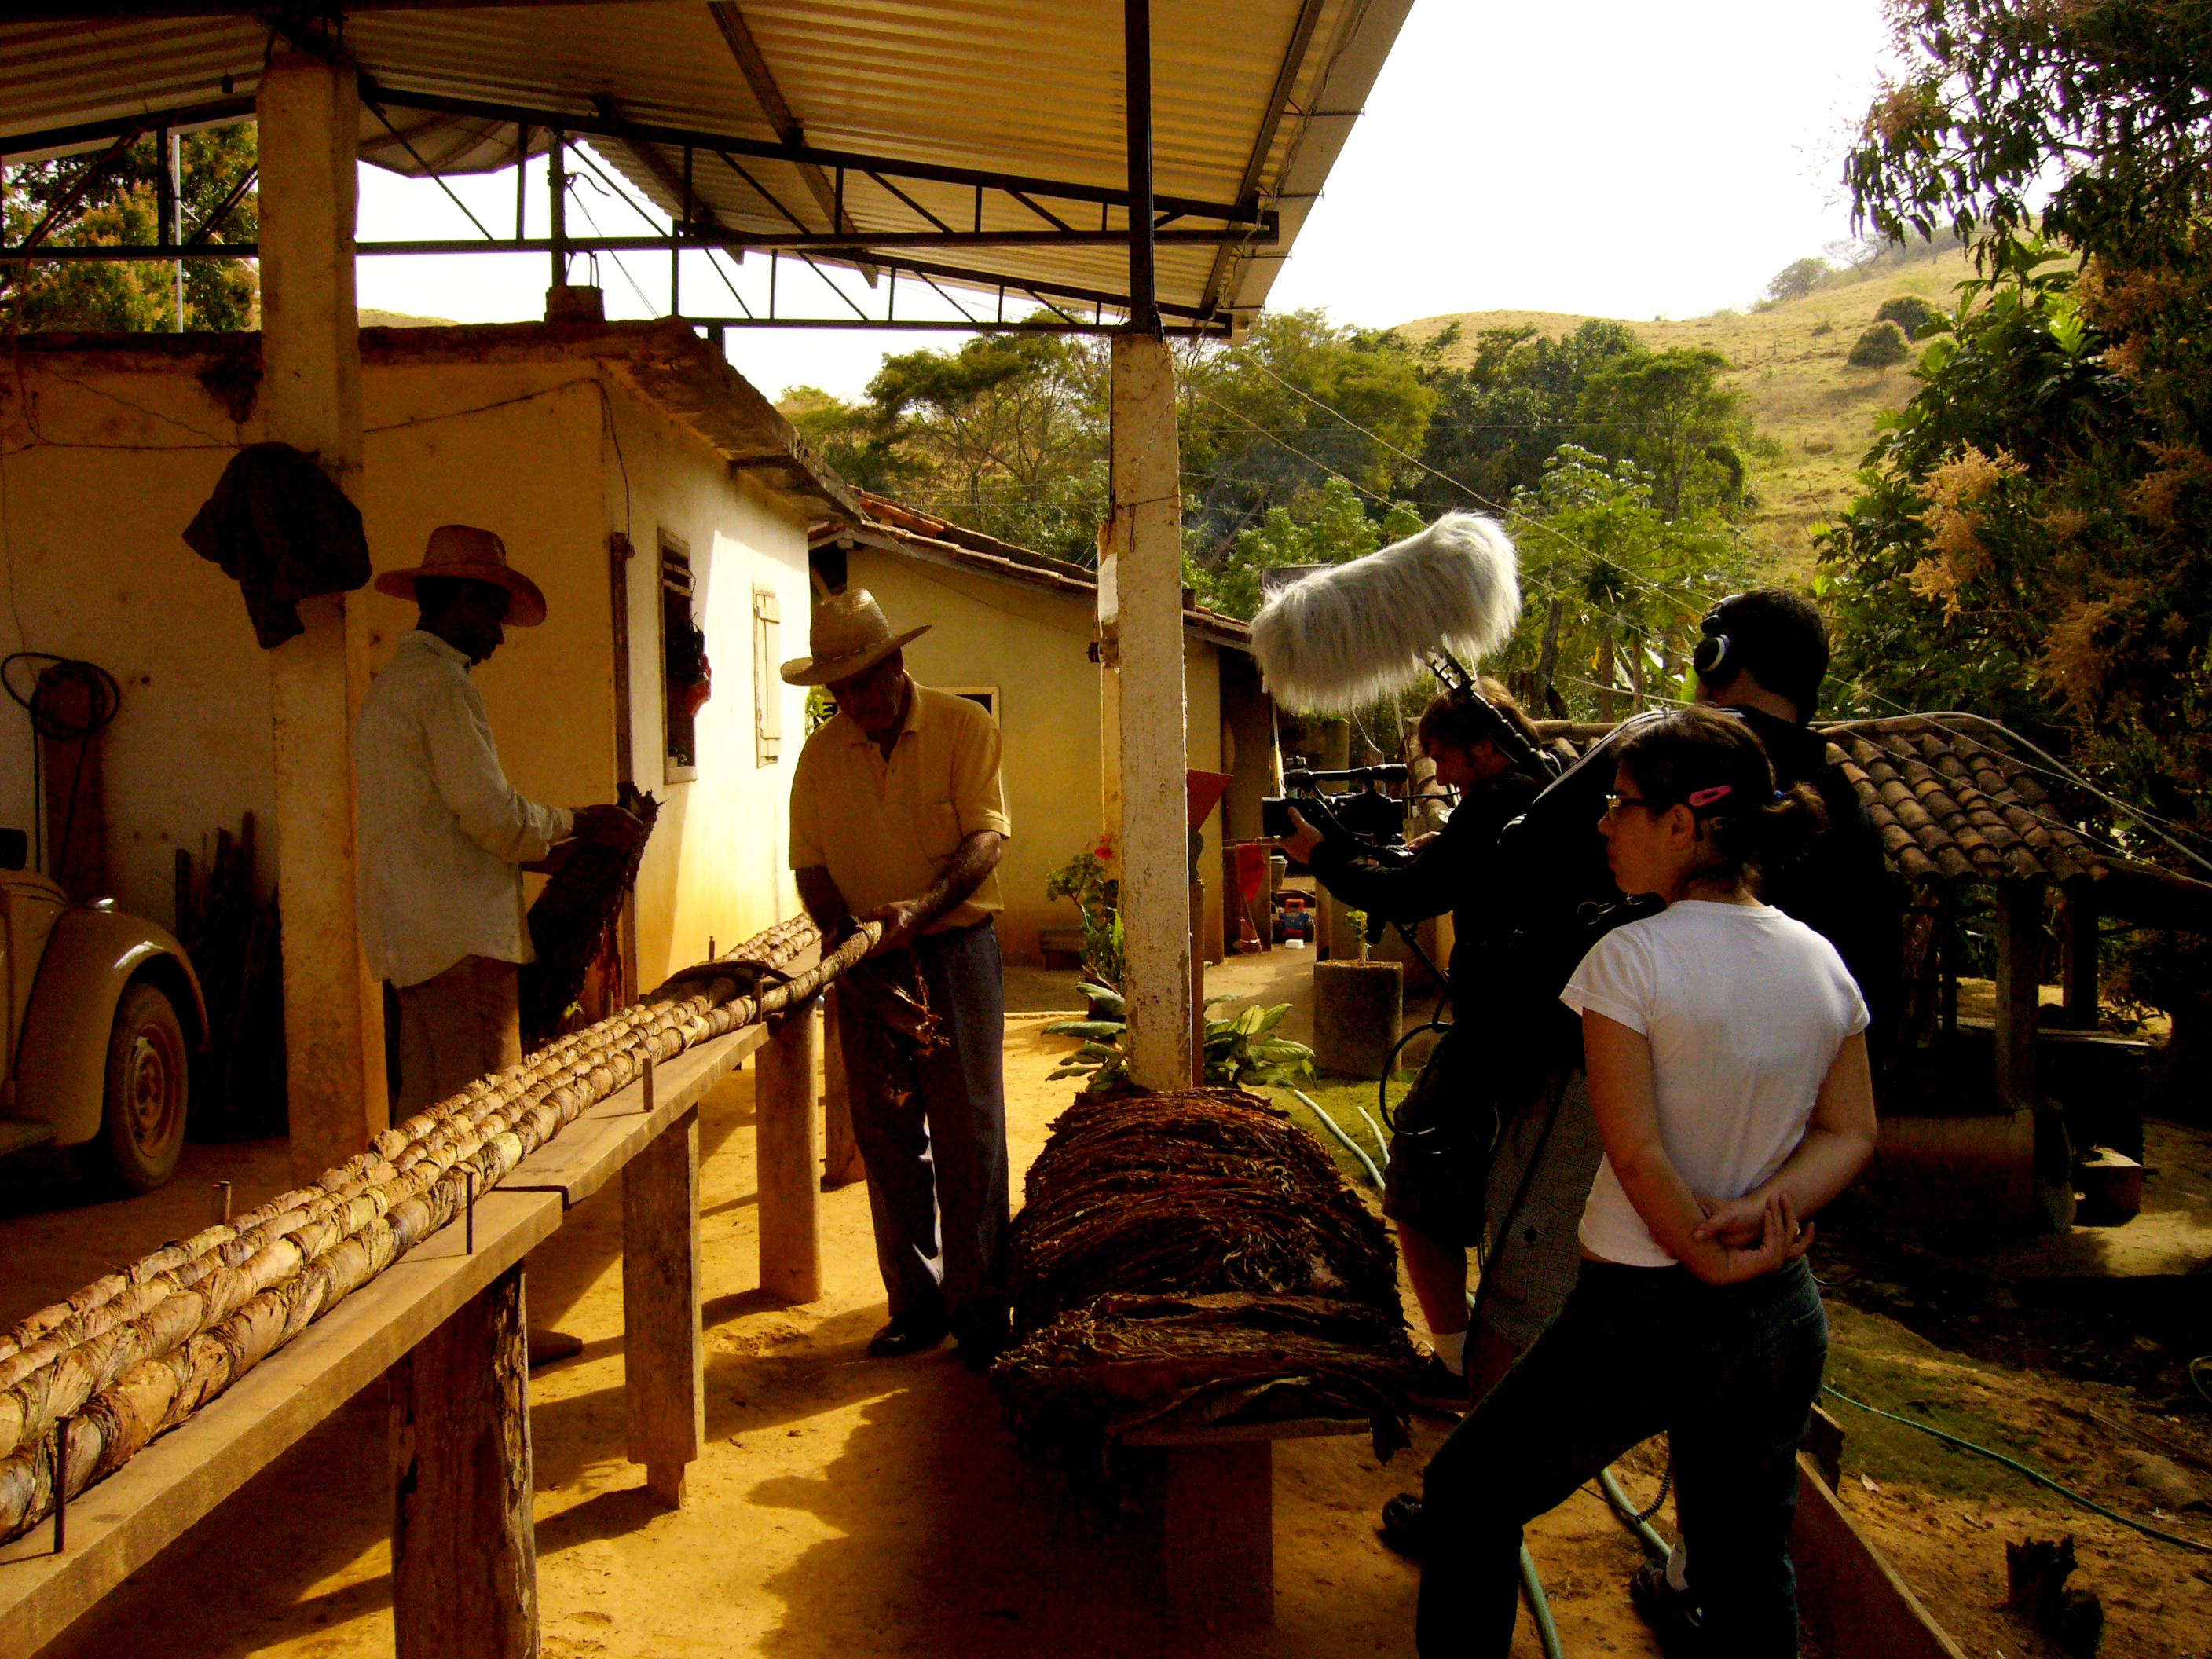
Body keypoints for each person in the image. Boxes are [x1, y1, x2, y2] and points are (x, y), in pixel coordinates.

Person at [1415, 706, 1877, 1657]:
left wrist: (1702, 1263)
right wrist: (1762, 1212)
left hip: (1641, 1311)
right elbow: (1849, 1132)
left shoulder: (1627, 959)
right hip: (1779, 1310)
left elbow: (1635, 1154)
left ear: (1682, 824)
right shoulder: (1817, 960)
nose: (1602, 823)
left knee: (1467, 1493)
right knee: (1746, 1562)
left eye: (1620, 805)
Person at [1279, 679, 1566, 1404]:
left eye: (1445, 757)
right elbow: (1431, 873)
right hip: (1552, 1029)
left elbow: (1409, 894)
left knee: (1421, 1168)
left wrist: (1321, 856)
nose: (1440, 776)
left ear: (1483, 744)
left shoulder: (1501, 804)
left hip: (1504, 1026)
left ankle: (1455, 1362)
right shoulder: (1547, 786)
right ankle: (1499, 1355)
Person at [783, 588, 1013, 1364]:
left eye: (865, 680)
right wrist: (845, 940)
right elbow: (810, 866)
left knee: (968, 1135)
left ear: (896, 661)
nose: (857, 700)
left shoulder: (962, 726)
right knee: (886, 1139)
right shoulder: (820, 757)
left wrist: (920, 908)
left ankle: (980, 1307)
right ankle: (915, 1305)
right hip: (864, 965)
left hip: (953, 952)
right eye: (839, 689)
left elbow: (987, 836)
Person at [357, 524, 645, 1119]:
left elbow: (442, 823)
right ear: (465, 602)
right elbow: (494, 817)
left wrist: (544, 852)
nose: (498, 637)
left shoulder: (391, 688)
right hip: (463, 945)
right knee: (482, 1130)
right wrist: (584, 822)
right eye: (493, 616)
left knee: (426, 1127)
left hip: (415, 943)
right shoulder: (442, 685)